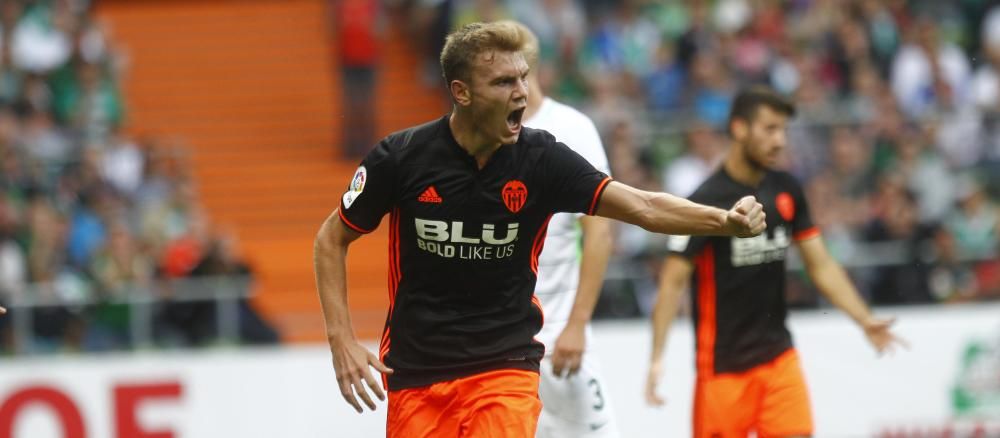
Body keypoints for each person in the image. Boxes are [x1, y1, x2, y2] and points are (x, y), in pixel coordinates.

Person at [314, 21, 766, 438]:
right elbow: (331, 240)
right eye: (504, 82)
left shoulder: (542, 159)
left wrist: (723, 221)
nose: (522, 93)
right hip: (416, 372)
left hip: (504, 365)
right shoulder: (402, 157)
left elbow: (643, 205)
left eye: (524, 78)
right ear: (462, 92)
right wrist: (342, 341)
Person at [644, 86, 907, 438]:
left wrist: (864, 318)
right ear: (739, 128)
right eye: (770, 129)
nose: (780, 140)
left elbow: (821, 264)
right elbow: (672, 281)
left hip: (779, 360)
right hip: (722, 370)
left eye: (783, 130)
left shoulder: (787, 189)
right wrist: (657, 357)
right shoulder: (705, 201)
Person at [506, 21, 619, 438]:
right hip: (500, 349)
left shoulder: (572, 128)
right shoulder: (483, 135)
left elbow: (599, 232)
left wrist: (577, 323)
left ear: (529, 68)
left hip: (559, 339)